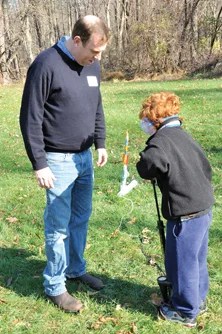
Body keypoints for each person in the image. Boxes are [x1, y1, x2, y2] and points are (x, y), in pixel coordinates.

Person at [20, 15, 110, 313]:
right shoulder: (46, 65)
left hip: (85, 158)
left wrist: (100, 142)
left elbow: (96, 106)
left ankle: (75, 269)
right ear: (76, 41)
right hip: (56, 161)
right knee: (57, 228)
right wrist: (40, 163)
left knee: (80, 219)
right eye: (93, 51)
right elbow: (30, 118)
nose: (96, 58)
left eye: (100, 53)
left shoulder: (92, 65)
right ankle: (55, 285)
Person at [136, 92, 214, 328]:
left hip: (185, 214)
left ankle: (184, 311)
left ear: (155, 120)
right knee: (196, 259)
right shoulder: (183, 135)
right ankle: (198, 300)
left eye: (146, 120)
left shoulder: (161, 142)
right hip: (203, 207)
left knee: (182, 264)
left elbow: (147, 167)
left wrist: (145, 159)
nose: (145, 125)